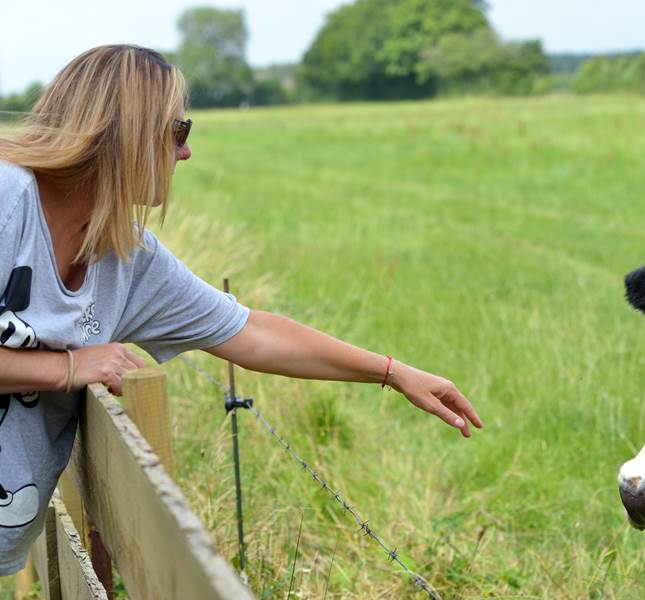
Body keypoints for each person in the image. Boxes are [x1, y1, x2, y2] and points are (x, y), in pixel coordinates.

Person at [0, 44, 482, 575]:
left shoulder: (127, 258)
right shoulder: (9, 199)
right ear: (127, 132)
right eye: (177, 131)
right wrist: (68, 367)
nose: (185, 153)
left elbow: (252, 334)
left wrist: (392, 373)